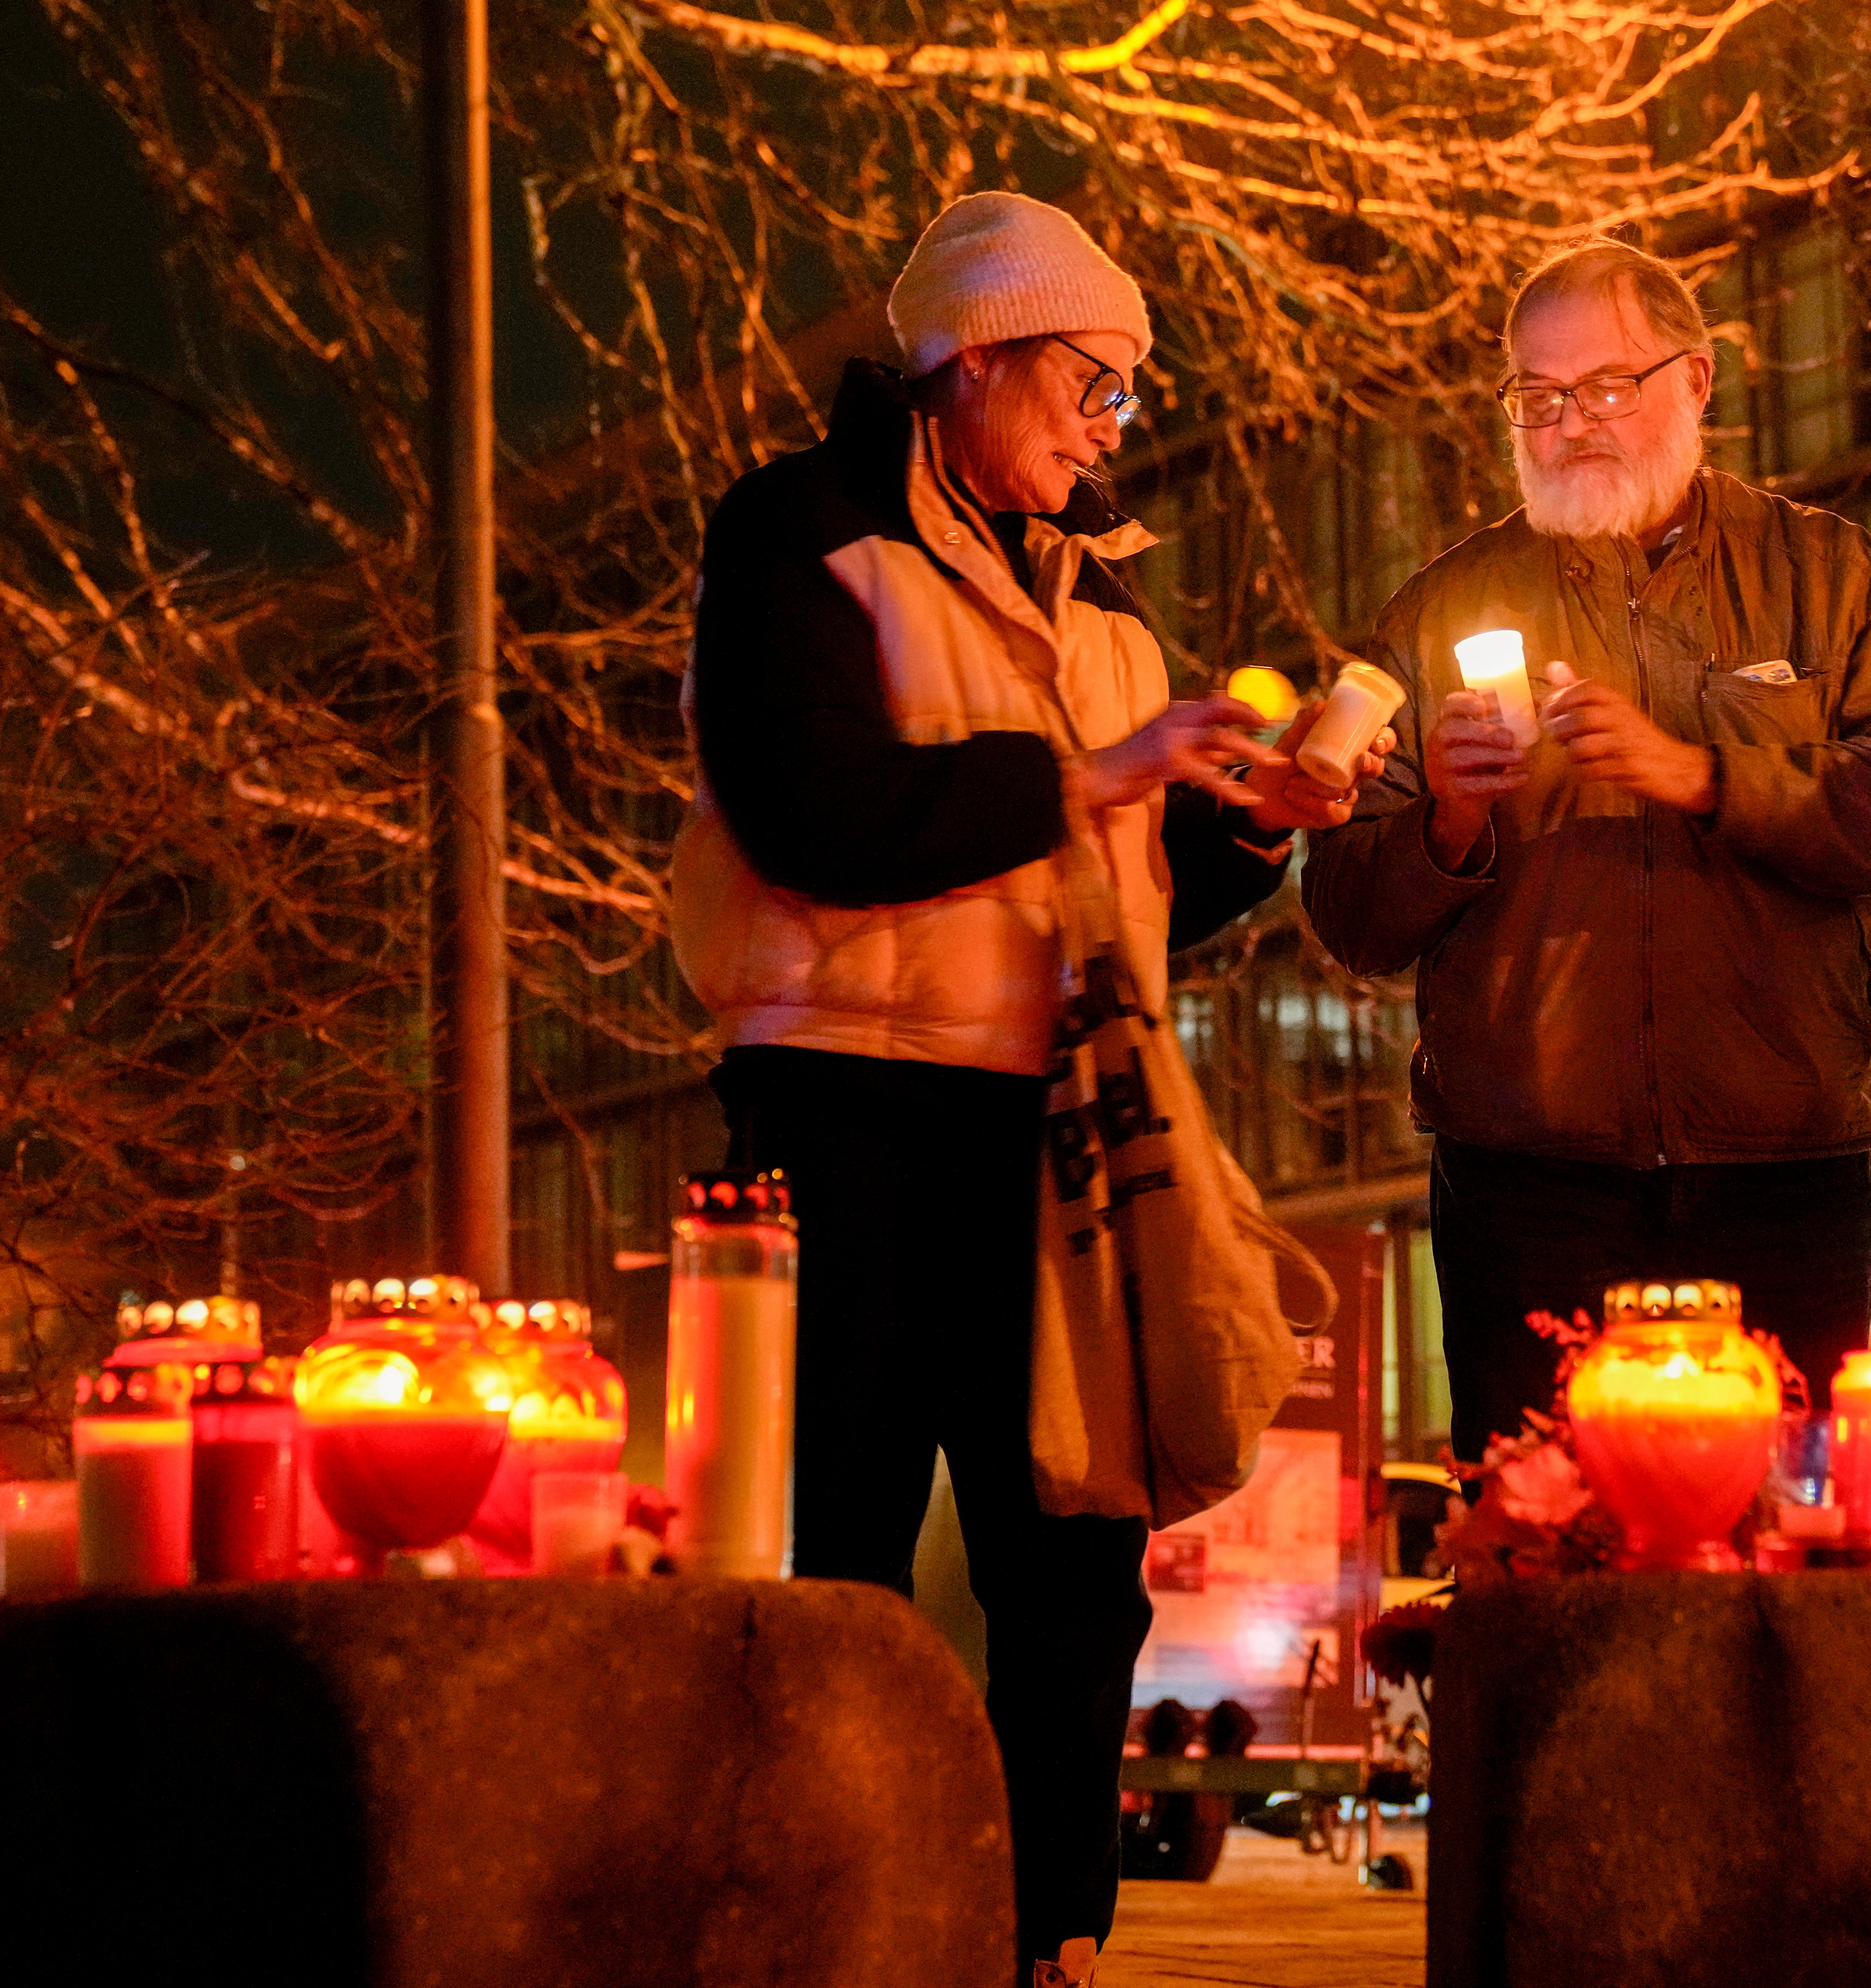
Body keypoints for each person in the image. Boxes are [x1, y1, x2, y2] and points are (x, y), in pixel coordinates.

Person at [669, 191, 1384, 1988]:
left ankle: (1047, 1935)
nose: (1106, 423)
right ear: (968, 357)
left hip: (1062, 1129)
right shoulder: (798, 536)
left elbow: (1130, 888)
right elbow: (814, 816)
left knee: (1077, 1545)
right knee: (832, 1540)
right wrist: (1092, 771)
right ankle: (821, 1919)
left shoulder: (1110, 603)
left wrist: (1246, 833)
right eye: (1087, 381)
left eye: (1130, 395)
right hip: (844, 1110)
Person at [1299, 238, 1871, 1456]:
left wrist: (1701, 775)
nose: (1574, 425)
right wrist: (1449, 822)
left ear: (1699, 381)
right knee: (1534, 1557)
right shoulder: (1438, 608)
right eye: (1541, 398)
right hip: (1527, 1183)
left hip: (1781, 1167)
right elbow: (1347, 911)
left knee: (1786, 1556)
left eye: (1609, 386)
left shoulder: (1835, 578)